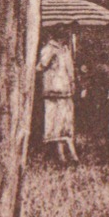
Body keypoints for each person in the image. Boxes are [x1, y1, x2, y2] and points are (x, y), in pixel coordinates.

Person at [37, 32, 78, 163]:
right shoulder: (55, 49)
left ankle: (68, 154)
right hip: (58, 89)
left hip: (60, 90)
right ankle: (63, 155)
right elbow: (41, 67)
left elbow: (70, 70)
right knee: (59, 122)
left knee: (62, 122)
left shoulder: (60, 49)